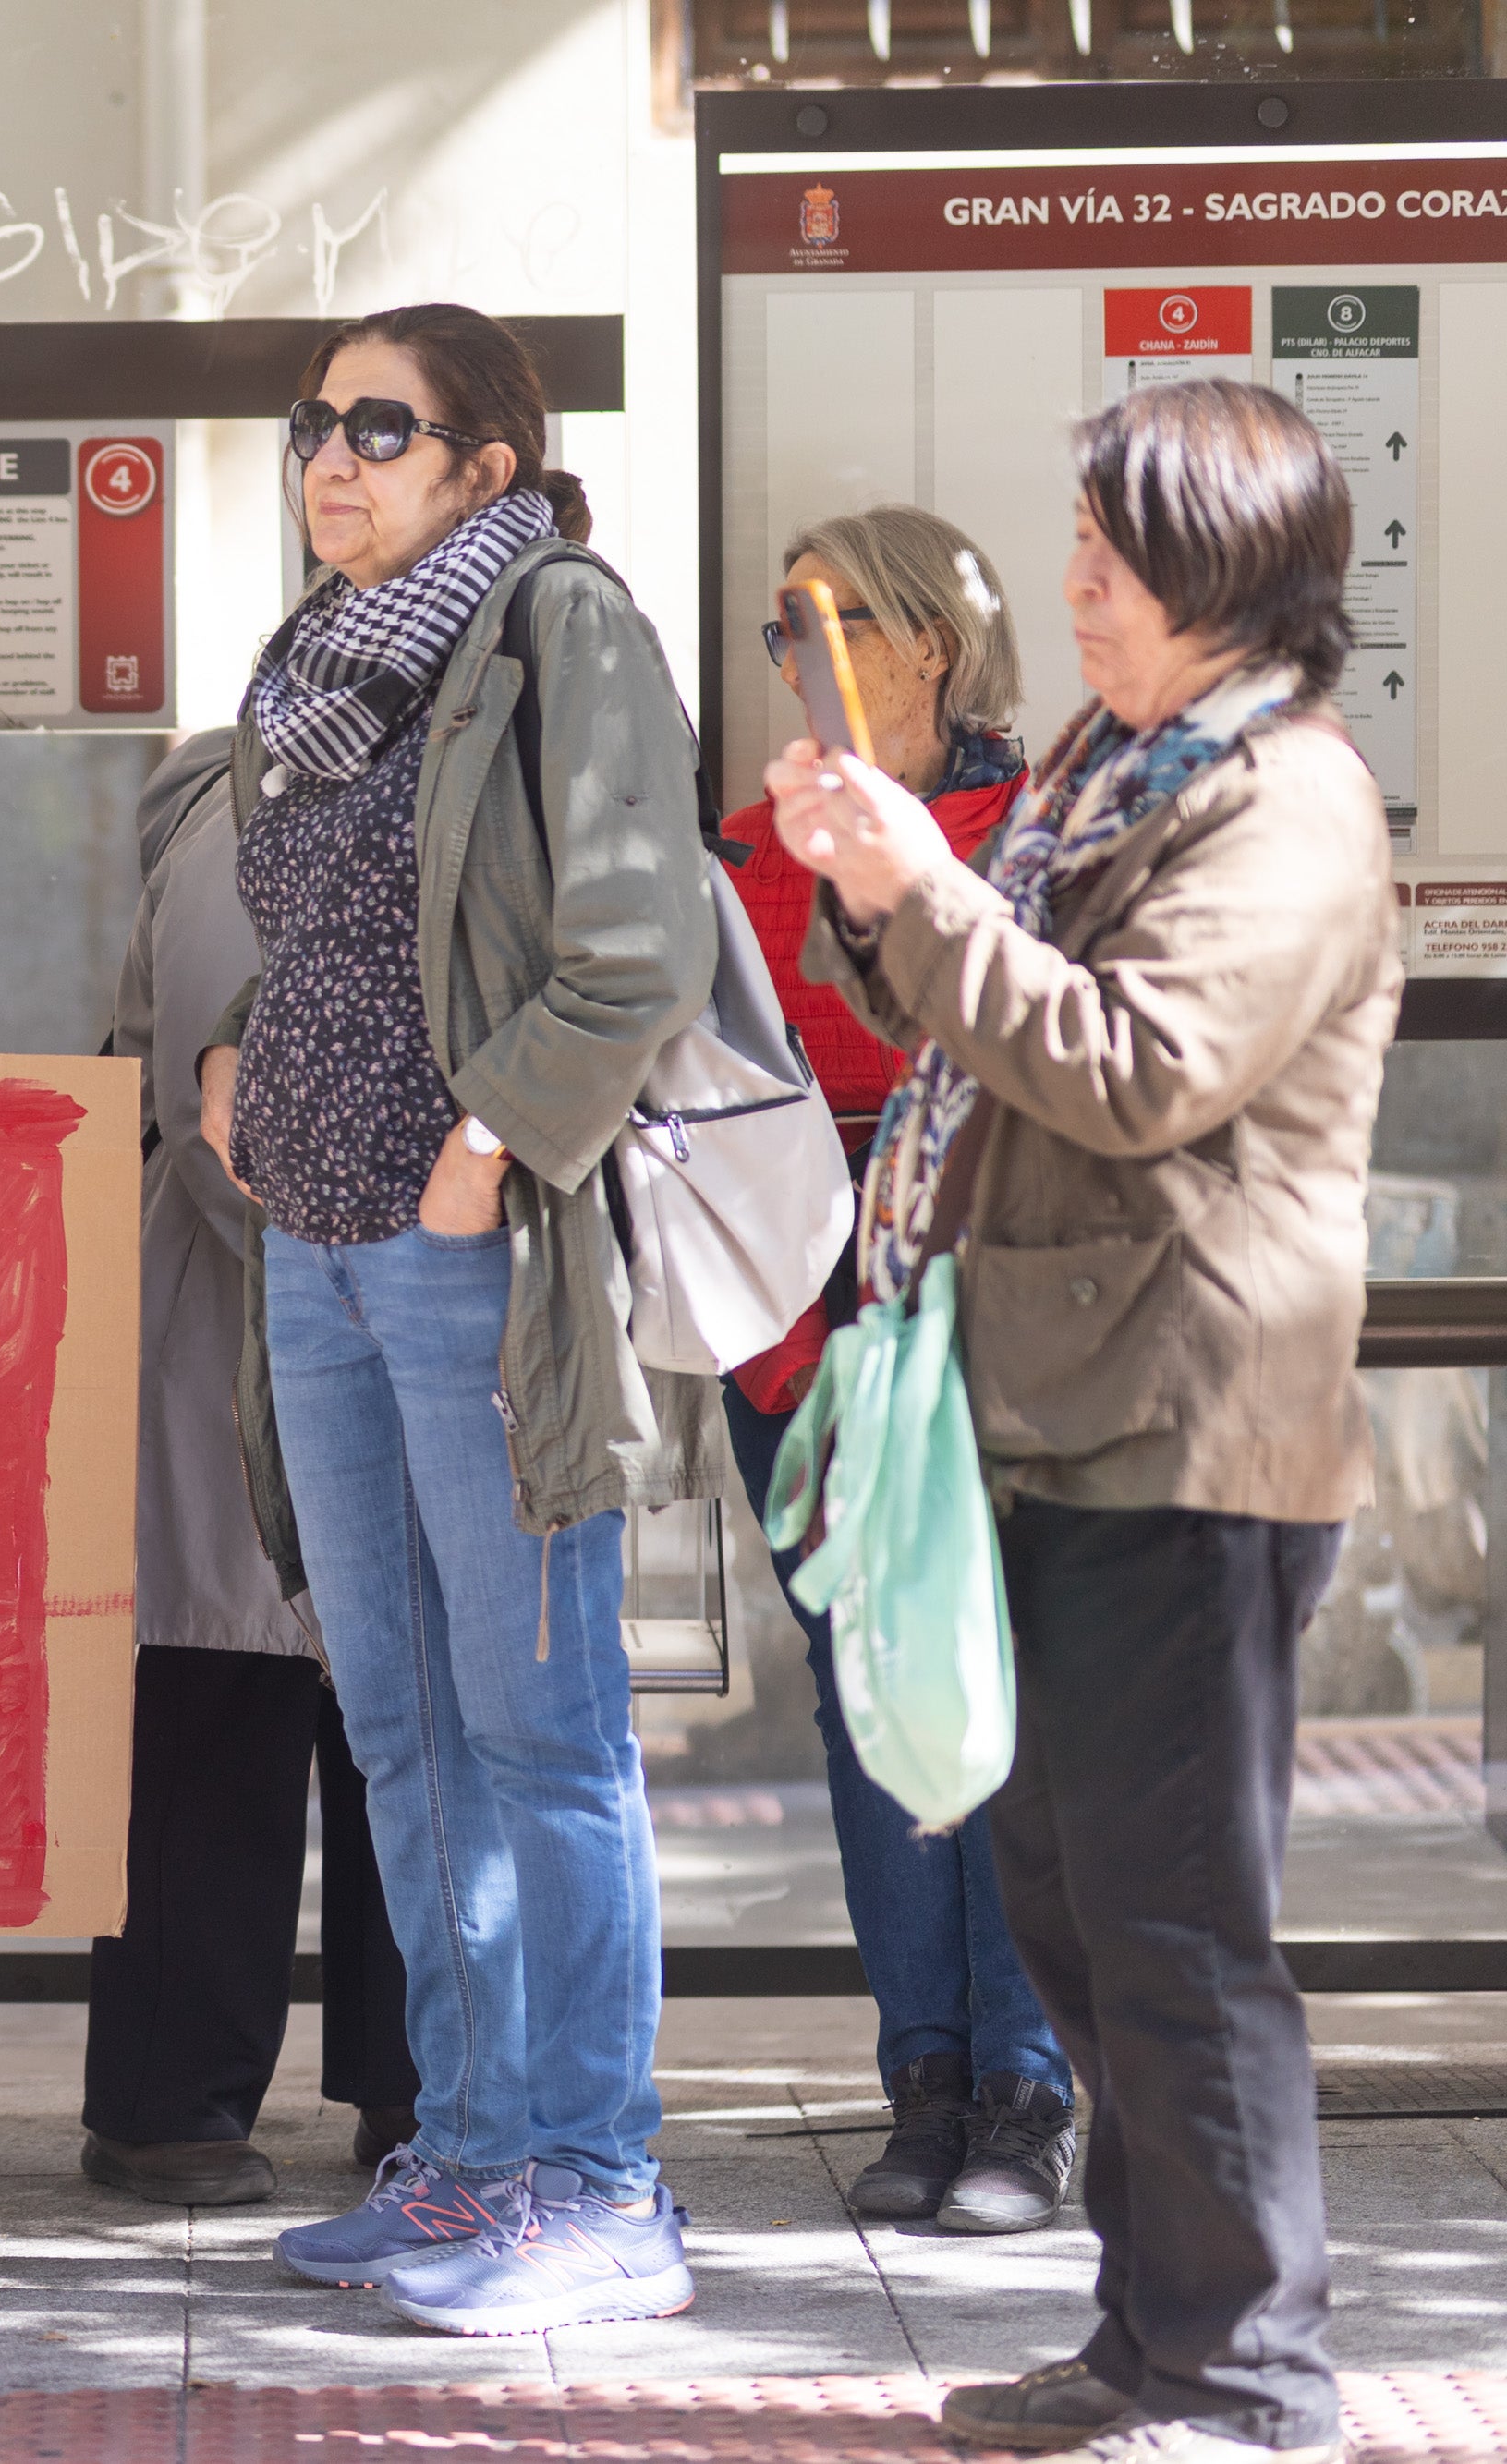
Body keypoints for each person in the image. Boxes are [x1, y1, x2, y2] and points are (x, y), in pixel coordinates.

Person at [772, 377, 1392, 2462]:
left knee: (1170, 1929)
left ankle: (1238, 2371)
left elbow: (1131, 1065)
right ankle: (1141, 2338)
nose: (1072, 591)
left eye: (1108, 560)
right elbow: (971, 1008)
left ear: (1220, 565)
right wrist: (875, 888)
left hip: (1178, 1424)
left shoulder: (1281, 796)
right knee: (1070, 1917)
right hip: (1039, 1409)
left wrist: (923, 905)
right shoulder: (1114, 759)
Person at [200, 303, 720, 2336]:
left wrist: (485, 1145)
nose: (326, 453)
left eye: (375, 424)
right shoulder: (312, 662)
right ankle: (477, 2151)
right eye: (310, 421)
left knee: (538, 1728)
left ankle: (601, 2182)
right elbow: (336, 936)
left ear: (480, 462)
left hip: (459, 1248)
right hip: (310, 1243)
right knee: (403, 1729)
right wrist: (239, 1059)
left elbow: (630, 937)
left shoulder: (552, 622)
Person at [719, 506, 1077, 2234]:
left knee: (988, 1685)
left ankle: (1025, 2086)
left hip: (986, 1324)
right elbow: (711, 1123)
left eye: (834, 621)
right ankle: (922, 2074)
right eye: (786, 631)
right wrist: (787, 1333)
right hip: (804, 1331)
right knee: (869, 1698)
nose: (804, 657)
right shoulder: (742, 851)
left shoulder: (1035, 838)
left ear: (929, 644)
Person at [78, 730, 419, 2208]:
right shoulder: (270, 791)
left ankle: (421, 2088)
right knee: (223, 1707)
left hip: (413, 1299)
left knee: (408, 1714)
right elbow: (225, 1102)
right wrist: (370, 1287)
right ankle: (171, 2101)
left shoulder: (491, 768)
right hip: (256, 1308)